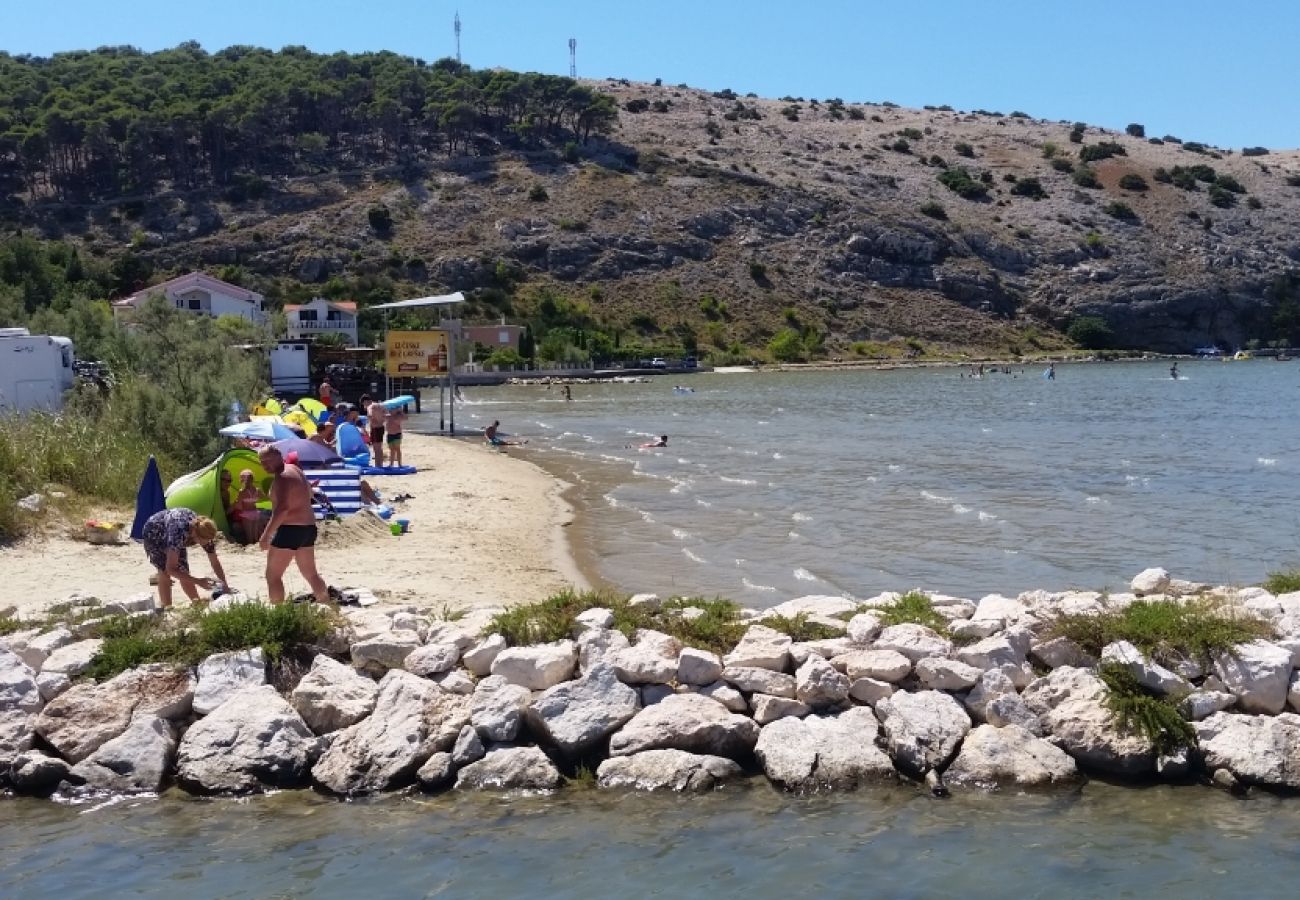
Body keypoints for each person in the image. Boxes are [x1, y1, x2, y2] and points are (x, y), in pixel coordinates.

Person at [258, 445, 332, 605]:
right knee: (311, 574)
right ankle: (328, 606)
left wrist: (266, 535)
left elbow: (283, 509)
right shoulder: (295, 469)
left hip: (290, 529)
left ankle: (278, 613)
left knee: (273, 575)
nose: (265, 465)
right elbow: (310, 493)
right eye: (262, 462)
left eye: (267, 461)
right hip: (308, 528)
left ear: (279, 456)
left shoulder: (282, 477)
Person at [141, 507, 229, 609]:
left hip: (175, 530)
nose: (206, 544)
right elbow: (171, 569)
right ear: (196, 535)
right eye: (203, 541)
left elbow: (215, 563)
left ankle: (196, 603)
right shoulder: (177, 533)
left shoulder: (203, 529)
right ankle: (167, 606)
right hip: (154, 532)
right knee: (164, 570)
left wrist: (224, 586)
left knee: (183, 570)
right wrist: (198, 581)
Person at [231, 469, 267, 545]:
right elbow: (266, 498)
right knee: (256, 536)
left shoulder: (242, 492)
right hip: (255, 513)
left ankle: (251, 550)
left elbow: (237, 504)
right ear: (252, 479)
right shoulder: (257, 490)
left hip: (246, 514)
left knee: (249, 537)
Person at [366, 396, 387, 467]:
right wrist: (380, 421)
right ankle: (380, 464)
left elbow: (370, 415)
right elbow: (386, 415)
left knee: (376, 448)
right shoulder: (381, 405)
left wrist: (372, 421)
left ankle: (377, 465)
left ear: (365, 401)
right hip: (381, 427)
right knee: (380, 447)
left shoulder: (370, 406)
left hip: (375, 428)